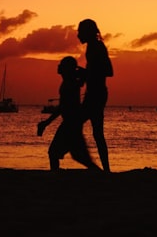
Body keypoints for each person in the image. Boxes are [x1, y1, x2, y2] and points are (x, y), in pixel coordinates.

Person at [37, 56, 100, 170]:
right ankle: (99, 174)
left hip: (70, 124)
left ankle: (56, 177)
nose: (58, 66)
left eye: (62, 64)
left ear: (66, 68)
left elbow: (62, 107)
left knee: (54, 153)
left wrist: (46, 123)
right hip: (72, 123)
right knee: (79, 156)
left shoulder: (69, 84)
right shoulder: (70, 82)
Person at [77, 18, 113, 172]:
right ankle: (105, 170)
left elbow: (109, 71)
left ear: (87, 32)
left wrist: (86, 72)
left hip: (96, 95)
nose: (78, 35)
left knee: (76, 125)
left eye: (80, 32)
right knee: (97, 133)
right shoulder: (93, 47)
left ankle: (94, 165)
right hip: (94, 93)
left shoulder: (96, 47)